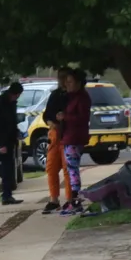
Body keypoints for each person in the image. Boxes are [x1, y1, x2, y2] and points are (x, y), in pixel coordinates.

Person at [57, 68, 91, 216]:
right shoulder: (72, 97)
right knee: (71, 168)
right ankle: (74, 199)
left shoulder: (82, 98)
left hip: (74, 137)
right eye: (66, 82)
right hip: (68, 136)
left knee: (73, 169)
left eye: (70, 82)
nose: (67, 85)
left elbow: (83, 118)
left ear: (78, 83)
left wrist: (65, 117)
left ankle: (76, 200)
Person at [42, 67, 74, 214]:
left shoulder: (73, 95)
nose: (61, 80)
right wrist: (51, 123)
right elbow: (46, 114)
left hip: (68, 133)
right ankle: (54, 199)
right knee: (51, 168)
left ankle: (70, 199)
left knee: (68, 169)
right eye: (60, 77)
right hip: (55, 134)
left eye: (64, 77)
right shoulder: (55, 95)